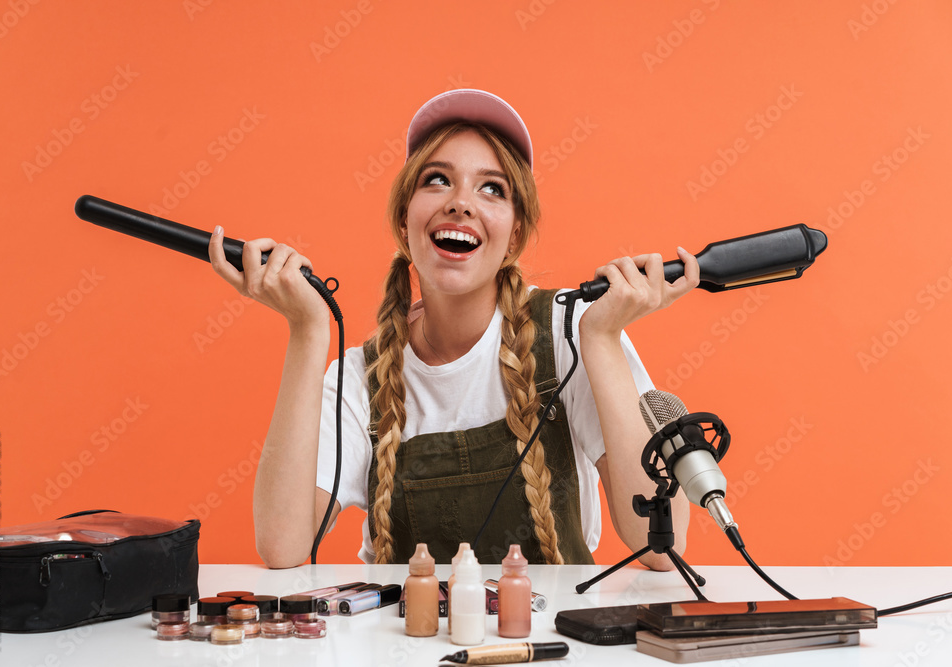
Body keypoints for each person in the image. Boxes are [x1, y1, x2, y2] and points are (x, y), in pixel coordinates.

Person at [209, 89, 700, 569]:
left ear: (514, 237)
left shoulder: (572, 332)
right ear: (405, 222)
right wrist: (307, 329)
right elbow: (282, 545)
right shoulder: (361, 377)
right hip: (404, 645)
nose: (461, 203)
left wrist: (602, 341)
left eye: (492, 188)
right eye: (437, 180)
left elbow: (663, 546)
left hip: (549, 643)